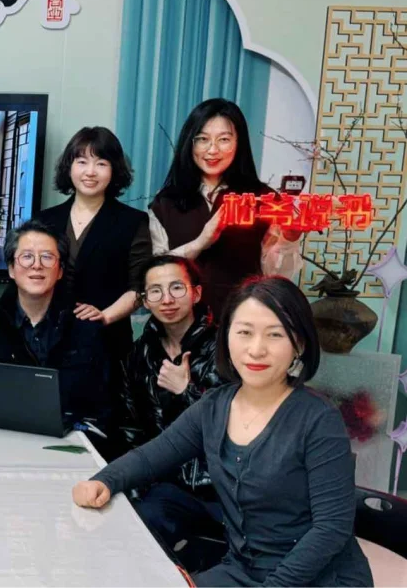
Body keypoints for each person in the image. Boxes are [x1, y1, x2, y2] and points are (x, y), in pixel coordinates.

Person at [73, 277, 372, 587]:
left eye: (275, 334)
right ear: (226, 337)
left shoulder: (318, 419)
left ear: (299, 344)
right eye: (244, 332)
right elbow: (151, 458)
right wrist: (104, 480)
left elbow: (331, 528)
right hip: (244, 571)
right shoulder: (214, 407)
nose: (256, 349)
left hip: (320, 578)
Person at [36, 126, 152, 433]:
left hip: (107, 345)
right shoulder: (45, 220)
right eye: (82, 161)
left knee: (102, 433)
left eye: (101, 163)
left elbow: (140, 287)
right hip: (49, 343)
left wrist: (105, 316)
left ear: (114, 171)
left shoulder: (132, 221)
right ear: (69, 167)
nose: (90, 171)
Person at [149, 98, 301, 318]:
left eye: (224, 140)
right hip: (181, 323)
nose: (212, 150)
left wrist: (289, 238)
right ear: (190, 143)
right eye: (202, 139)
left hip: (243, 319)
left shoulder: (264, 199)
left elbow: (277, 276)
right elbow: (155, 273)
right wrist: (201, 242)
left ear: (239, 144)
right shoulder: (166, 202)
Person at [122, 255, 225, 572]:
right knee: (131, 533)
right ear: (145, 301)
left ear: (196, 293)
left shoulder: (227, 347)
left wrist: (187, 391)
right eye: (155, 291)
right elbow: (131, 428)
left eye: (177, 288)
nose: (167, 299)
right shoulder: (139, 354)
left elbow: (238, 427)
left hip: (226, 486)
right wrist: (135, 487)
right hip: (170, 488)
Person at [0, 219, 74, 391]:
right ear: (11, 269)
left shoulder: (83, 324)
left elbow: (102, 399)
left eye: (47, 257)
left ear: (60, 271)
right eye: (27, 256)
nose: (37, 265)